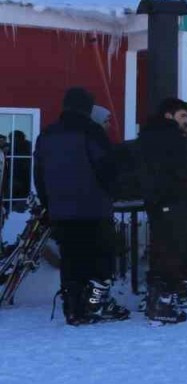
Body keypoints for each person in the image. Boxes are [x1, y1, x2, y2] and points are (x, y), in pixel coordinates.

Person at [33, 87, 129, 326]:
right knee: (100, 260)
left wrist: (49, 204)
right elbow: (106, 168)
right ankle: (95, 304)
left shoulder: (47, 134)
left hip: (62, 211)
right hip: (94, 208)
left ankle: (73, 309)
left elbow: (39, 174)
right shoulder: (92, 131)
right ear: (88, 108)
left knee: (71, 261)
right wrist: (114, 192)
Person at [138, 97, 187, 324]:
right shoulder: (168, 139)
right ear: (169, 116)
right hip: (173, 202)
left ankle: (159, 299)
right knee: (170, 253)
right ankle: (163, 304)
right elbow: (177, 173)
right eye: (183, 115)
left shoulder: (151, 136)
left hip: (163, 203)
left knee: (164, 251)